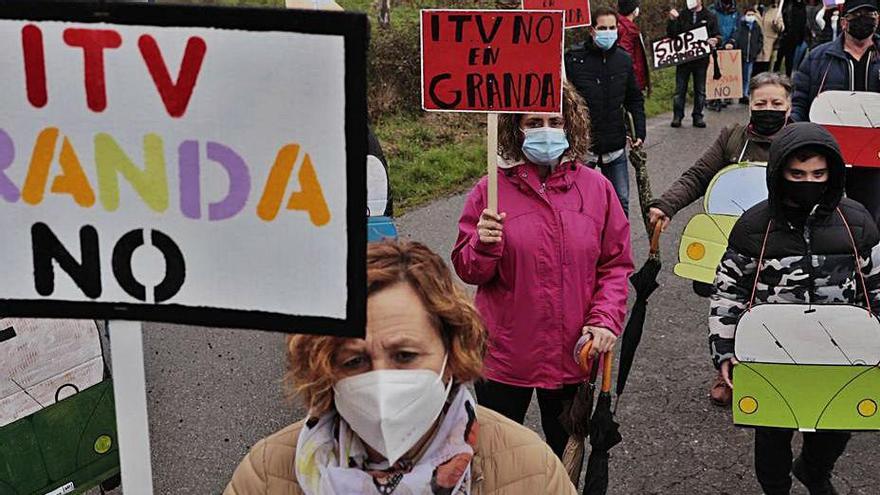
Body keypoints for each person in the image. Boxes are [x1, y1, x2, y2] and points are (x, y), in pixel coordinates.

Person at [225, 240, 577, 495]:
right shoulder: (266, 477)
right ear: (325, 370)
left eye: (405, 356)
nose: (380, 380)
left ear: (451, 356)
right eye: (354, 361)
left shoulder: (530, 472)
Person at [451, 84, 633, 460]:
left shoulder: (597, 189)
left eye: (554, 121)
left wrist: (604, 321)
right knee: (495, 460)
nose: (545, 130)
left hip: (574, 355)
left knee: (564, 461)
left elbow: (615, 266)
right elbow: (469, 270)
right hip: (504, 358)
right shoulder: (490, 191)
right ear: (515, 129)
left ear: (571, 127)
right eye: (534, 122)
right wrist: (483, 245)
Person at [709, 122, 880, 495]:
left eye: (818, 174)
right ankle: (776, 488)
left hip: (842, 355)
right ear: (779, 173)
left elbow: (877, 286)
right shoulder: (755, 227)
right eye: (798, 174)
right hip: (771, 356)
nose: (809, 181)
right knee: (771, 439)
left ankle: (814, 471)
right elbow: (728, 290)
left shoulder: (858, 223)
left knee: (835, 428)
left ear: (832, 173)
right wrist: (724, 349)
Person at [647, 72, 793, 406]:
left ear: (789, 105)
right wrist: (665, 205)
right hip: (737, 245)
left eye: (776, 103)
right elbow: (698, 176)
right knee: (732, 307)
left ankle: (775, 372)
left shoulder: (803, 141)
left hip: (784, 243)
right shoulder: (732, 138)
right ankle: (728, 372)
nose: (768, 109)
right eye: (760, 103)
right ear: (750, 104)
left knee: (777, 306)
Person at [792, 0, 880, 225]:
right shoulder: (817, 58)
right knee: (823, 216)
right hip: (827, 155)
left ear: (877, 20)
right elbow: (799, 101)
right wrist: (797, 141)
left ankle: (867, 256)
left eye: (869, 14)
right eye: (857, 14)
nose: (864, 19)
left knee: (870, 217)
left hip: (874, 159)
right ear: (843, 22)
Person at [566, 7, 647, 216]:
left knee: (620, 203)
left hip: (615, 146)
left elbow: (634, 98)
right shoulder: (574, 60)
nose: (608, 32)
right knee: (578, 205)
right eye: (603, 28)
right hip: (584, 148)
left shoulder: (623, 60)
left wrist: (639, 131)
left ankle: (619, 248)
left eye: (612, 27)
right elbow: (563, 102)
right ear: (592, 30)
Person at [668, 0, 722, 128]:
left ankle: (698, 116)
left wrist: (716, 40)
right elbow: (672, 35)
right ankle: (677, 116)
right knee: (679, 90)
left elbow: (718, 35)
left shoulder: (710, 16)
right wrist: (672, 21)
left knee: (700, 89)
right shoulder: (682, 15)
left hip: (701, 60)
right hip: (683, 60)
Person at [709, 0, 741, 111]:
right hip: (715, 43)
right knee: (713, 71)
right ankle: (712, 98)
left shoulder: (736, 12)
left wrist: (732, 41)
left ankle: (724, 96)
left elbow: (737, 29)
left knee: (726, 72)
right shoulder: (712, 10)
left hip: (728, 46)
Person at [730, 7, 765, 103]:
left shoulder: (757, 27)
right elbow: (736, 37)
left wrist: (756, 51)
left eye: (752, 15)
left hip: (750, 56)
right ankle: (733, 94)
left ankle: (744, 94)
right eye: (748, 15)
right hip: (739, 55)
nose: (750, 17)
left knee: (747, 76)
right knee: (736, 76)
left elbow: (760, 40)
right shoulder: (741, 26)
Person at [617, 0, 652, 94]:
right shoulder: (628, 30)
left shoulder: (621, 25)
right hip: (633, 79)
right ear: (634, 10)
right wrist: (636, 79)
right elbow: (627, 56)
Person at [775, 0, 809, 75]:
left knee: (788, 60)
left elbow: (802, 23)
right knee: (779, 59)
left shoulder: (800, 7)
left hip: (792, 37)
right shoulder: (787, 5)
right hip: (786, 35)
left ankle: (787, 76)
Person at [755, 0, 785, 74]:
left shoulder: (776, 11)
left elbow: (781, 28)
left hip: (769, 46)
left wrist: (776, 25)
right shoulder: (755, 10)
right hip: (755, 46)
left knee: (765, 71)